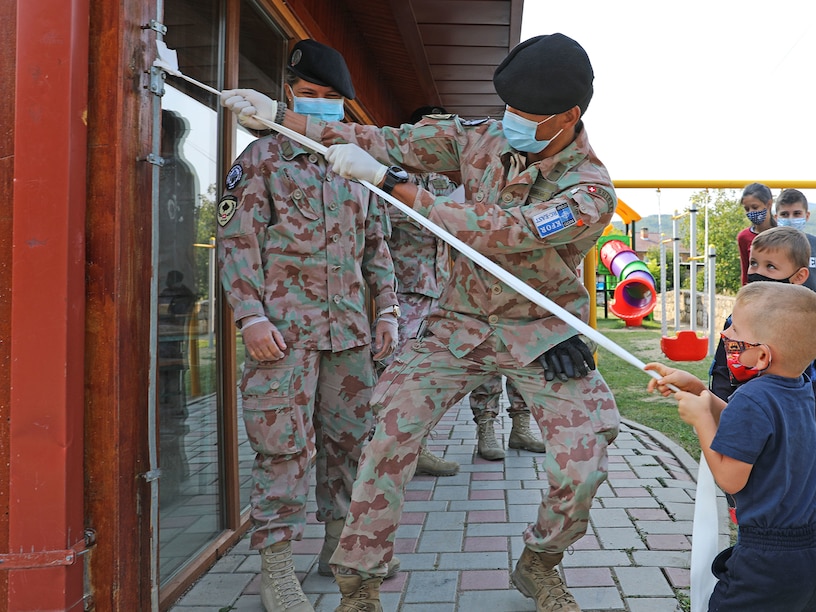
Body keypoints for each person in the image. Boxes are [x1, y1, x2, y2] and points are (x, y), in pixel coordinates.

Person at [222, 33, 618, 611]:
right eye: (505, 109)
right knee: (384, 431)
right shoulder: (476, 138)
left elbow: (500, 232)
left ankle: (540, 564)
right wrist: (280, 117)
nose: (507, 122)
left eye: (524, 116)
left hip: (540, 334)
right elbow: (377, 139)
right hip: (456, 326)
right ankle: (359, 585)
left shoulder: (588, 190)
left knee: (584, 457)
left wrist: (389, 183)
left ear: (568, 117)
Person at [216, 39, 399, 612]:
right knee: (284, 450)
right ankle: (277, 565)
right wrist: (248, 317)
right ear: (289, 94)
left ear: (345, 104)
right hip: (283, 338)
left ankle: (339, 548)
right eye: (309, 95)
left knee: (350, 443)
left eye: (330, 98)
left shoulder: (354, 163)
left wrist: (388, 310)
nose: (319, 105)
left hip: (349, 336)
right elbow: (235, 242)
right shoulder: (261, 159)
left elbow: (377, 247)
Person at [646, 282, 816, 612]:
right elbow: (750, 425)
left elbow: (731, 479)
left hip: (768, 561)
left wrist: (701, 421)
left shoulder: (754, 397)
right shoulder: (799, 385)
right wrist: (697, 390)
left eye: (734, 328)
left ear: (762, 354)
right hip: (815, 550)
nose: (726, 334)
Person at [382, 106, 545, 474]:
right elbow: (385, 228)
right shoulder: (391, 177)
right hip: (405, 290)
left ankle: (512, 427)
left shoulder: (444, 181)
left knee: (504, 355)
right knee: (407, 372)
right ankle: (409, 448)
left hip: (445, 288)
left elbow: (471, 224)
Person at [710, 227, 816, 475]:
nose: (758, 272)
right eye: (754, 263)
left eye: (771, 266)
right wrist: (719, 420)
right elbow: (721, 373)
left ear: (799, 275)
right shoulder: (736, 322)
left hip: (799, 430)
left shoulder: (815, 322)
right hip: (745, 425)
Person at [156, 110, 199, 504]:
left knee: (168, 376)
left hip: (169, 290)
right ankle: (174, 464)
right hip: (173, 287)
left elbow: (172, 237)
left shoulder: (172, 174)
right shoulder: (176, 172)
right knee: (169, 374)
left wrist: (172, 287)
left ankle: (170, 467)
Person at [775, 188, 816, 301]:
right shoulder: (769, 247)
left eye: (797, 214)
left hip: (813, 311)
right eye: (784, 214)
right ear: (776, 218)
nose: (791, 219)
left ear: (807, 215)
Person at [736, 182, 777, 286]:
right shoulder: (744, 237)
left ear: (768, 204)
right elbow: (745, 270)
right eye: (747, 209)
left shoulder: (782, 234)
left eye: (755, 207)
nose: (751, 212)